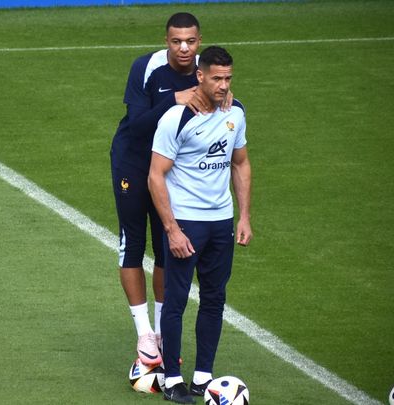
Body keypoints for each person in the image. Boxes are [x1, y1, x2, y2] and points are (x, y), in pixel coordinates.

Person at [110, 12, 229, 366]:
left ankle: (162, 333)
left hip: (169, 171)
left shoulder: (205, 74)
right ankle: (144, 331)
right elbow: (137, 125)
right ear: (166, 41)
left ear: (199, 41)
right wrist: (174, 99)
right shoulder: (146, 68)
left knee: (166, 245)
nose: (183, 48)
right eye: (176, 41)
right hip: (132, 163)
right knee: (132, 243)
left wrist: (216, 97)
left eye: (190, 41)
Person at [148, 46, 252, 403]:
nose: (224, 85)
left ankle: (203, 377)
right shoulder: (176, 118)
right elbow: (155, 177)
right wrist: (172, 229)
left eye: (228, 78)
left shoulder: (236, 112)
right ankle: (172, 378)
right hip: (187, 222)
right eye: (217, 78)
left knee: (214, 299)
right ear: (200, 76)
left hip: (220, 222)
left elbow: (240, 163)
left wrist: (245, 216)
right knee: (175, 301)